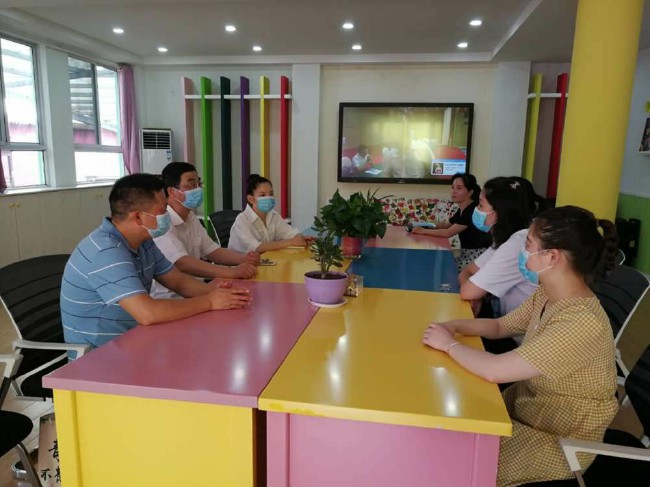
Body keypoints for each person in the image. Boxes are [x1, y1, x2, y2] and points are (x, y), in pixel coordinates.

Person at [422, 205, 619, 486]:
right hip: (529, 410)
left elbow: (495, 371)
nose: (522, 252)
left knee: (457, 464)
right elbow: (500, 326)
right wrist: (453, 326)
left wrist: (449, 345)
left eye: (528, 245)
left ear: (552, 256)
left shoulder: (581, 323)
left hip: (558, 441)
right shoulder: (549, 293)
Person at [61, 173, 252, 349]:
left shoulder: (143, 242)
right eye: (162, 211)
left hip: (135, 339)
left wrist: (216, 292)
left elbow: (178, 281)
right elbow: (148, 313)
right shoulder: (106, 252)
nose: (167, 215)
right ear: (138, 217)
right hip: (100, 356)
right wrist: (209, 301)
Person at [150, 162, 259, 299]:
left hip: (197, 291)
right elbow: (182, 263)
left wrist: (244, 259)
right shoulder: (163, 222)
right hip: (172, 299)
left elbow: (212, 251)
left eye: (198, 184)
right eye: (190, 185)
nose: (197, 189)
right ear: (172, 191)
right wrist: (231, 272)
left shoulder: (190, 216)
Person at [458, 176, 540, 318]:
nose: (477, 210)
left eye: (481, 205)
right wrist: (476, 296)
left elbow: (467, 291)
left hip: (518, 330)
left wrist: (475, 293)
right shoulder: (505, 239)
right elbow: (467, 272)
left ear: (498, 212)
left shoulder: (518, 244)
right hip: (504, 321)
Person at [412, 173, 491, 270]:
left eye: (459, 188)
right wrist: (425, 224)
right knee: (442, 265)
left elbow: (448, 232)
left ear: (470, 192)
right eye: (453, 187)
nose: (454, 191)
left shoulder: (471, 210)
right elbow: (446, 225)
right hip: (466, 253)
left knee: (446, 270)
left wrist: (422, 231)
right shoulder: (463, 208)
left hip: (479, 255)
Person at [228, 174, 311, 253]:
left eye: (271, 194)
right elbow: (256, 248)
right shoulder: (242, 220)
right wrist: (290, 242)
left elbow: (290, 233)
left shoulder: (273, 215)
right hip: (241, 262)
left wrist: (300, 238)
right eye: (263, 195)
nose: (268, 198)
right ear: (251, 199)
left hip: (265, 260)